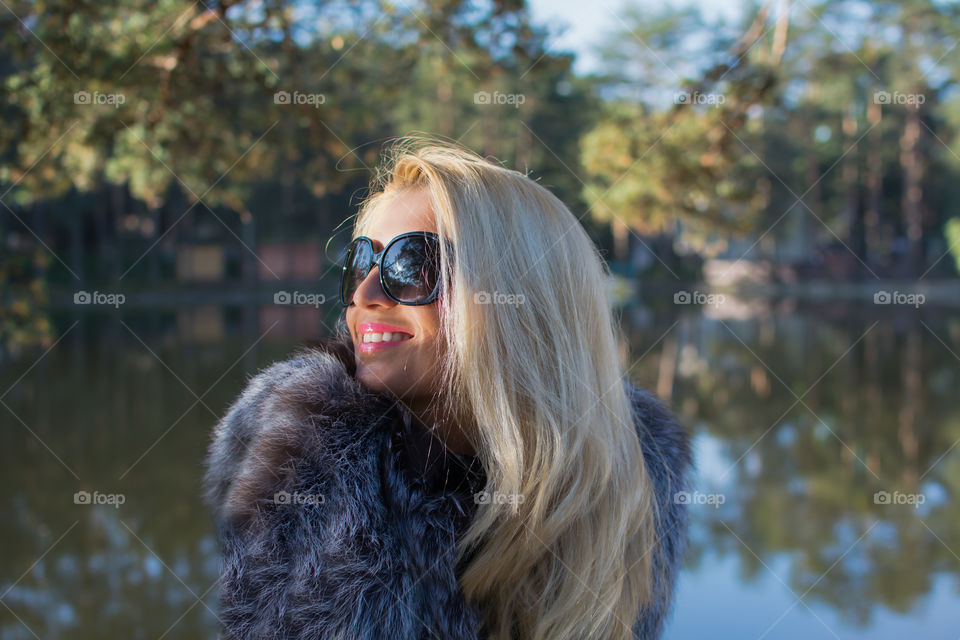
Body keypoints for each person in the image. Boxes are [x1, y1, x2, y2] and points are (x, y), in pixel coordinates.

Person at [202, 137, 694, 640]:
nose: (363, 295)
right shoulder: (307, 470)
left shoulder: (624, 493)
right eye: (359, 263)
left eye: (412, 265)